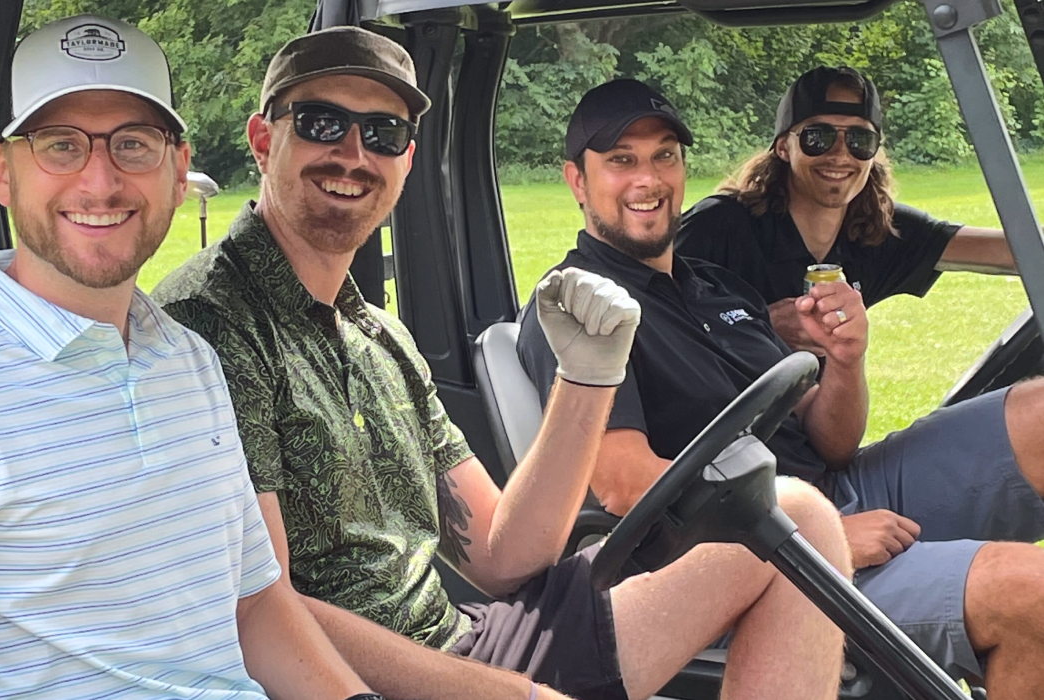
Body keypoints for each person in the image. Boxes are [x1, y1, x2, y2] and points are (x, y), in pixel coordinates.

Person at [153, 28, 853, 700]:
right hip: (352, 680)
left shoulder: (379, 340)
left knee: (797, 519)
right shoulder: (212, 321)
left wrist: (587, 377)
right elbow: (263, 610)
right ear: (263, 138)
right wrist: (516, 695)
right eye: (321, 122)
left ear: (406, 159)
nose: (353, 153)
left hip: (460, 644)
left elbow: (500, 555)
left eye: (383, 134)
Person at [0, 14, 575, 700]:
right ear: (2, 172)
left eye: (134, 144)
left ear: (179, 170)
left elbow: (254, 605)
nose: (101, 182)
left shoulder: (187, 360)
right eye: (60, 145)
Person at [517, 78, 1044, 698]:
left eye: (664, 155)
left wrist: (846, 363)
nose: (648, 179)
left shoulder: (713, 285)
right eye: (621, 160)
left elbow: (832, 441)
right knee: (1028, 593)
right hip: (752, 559)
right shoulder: (578, 307)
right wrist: (813, 537)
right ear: (578, 180)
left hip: (822, 494)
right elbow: (627, 484)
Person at [675, 66, 1016, 354]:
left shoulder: (878, 230)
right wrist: (759, 323)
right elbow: (647, 318)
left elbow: (1016, 252)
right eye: (818, 137)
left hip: (821, 425)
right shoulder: (717, 227)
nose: (840, 154)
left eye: (859, 140)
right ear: (783, 147)